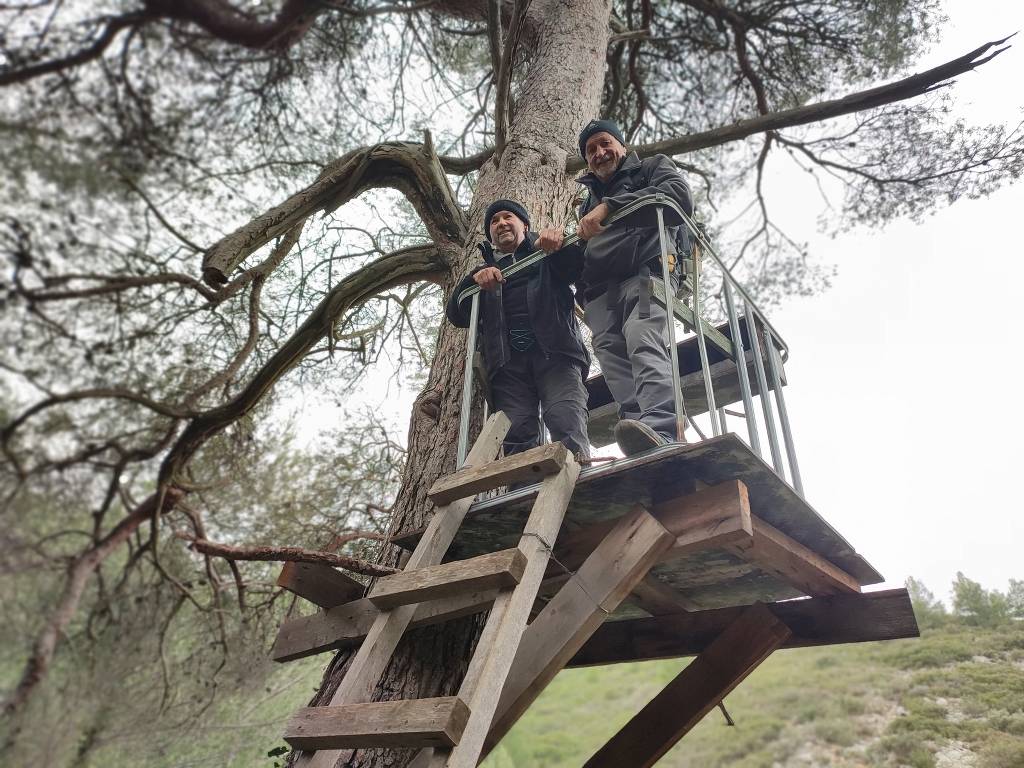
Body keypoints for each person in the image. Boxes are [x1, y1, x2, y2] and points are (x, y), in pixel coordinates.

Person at [537, 119, 694, 456]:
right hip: (600, 292)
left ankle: (664, 428)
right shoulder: (585, 203)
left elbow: (678, 198)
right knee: (611, 355)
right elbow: (576, 263)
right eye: (591, 150)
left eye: (605, 143)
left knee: (642, 338)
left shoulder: (651, 168)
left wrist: (612, 207)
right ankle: (640, 431)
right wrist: (553, 251)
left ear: (622, 146)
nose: (599, 152)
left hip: (647, 272)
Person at [446, 199, 591, 460]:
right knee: (517, 434)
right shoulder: (483, 272)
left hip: (556, 353)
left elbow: (579, 269)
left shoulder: (546, 252)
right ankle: (523, 496)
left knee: (565, 417)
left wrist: (558, 245)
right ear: (490, 234)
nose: (501, 223)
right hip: (508, 365)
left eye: (507, 217)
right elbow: (457, 314)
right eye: (494, 221)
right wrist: (472, 281)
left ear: (524, 224)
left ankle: (582, 484)